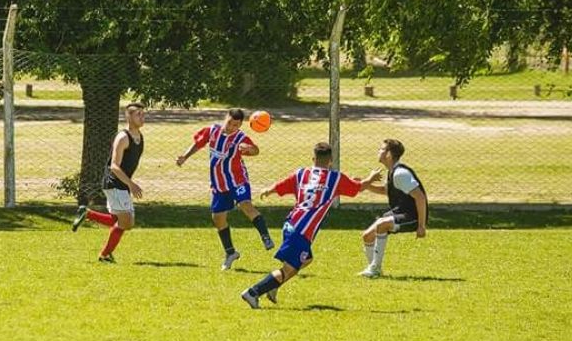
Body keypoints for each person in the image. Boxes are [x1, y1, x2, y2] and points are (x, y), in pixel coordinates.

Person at [241, 142, 381, 309]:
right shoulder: (335, 178)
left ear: (313, 158)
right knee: (290, 268)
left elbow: (282, 185)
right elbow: (357, 188)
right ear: (330, 161)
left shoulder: (302, 173)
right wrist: (371, 178)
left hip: (291, 224)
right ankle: (253, 292)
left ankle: (273, 286)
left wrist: (269, 190)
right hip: (301, 231)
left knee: (306, 259)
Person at [176, 108, 272, 270]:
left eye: (236, 125)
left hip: (237, 180)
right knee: (218, 218)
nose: (231, 127)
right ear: (225, 118)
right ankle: (230, 253)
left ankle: (265, 236)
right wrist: (185, 156)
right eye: (229, 123)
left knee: (245, 205)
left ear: (240, 125)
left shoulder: (240, 137)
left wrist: (250, 150)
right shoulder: (212, 131)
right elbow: (198, 143)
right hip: (219, 183)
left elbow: (255, 150)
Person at [72, 102, 146, 263]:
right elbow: (114, 166)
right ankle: (104, 254)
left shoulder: (139, 137)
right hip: (114, 184)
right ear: (128, 116)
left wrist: (129, 184)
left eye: (143, 114)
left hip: (121, 185)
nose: (142, 117)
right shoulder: (123, 137)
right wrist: (131, 184)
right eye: (138, 114)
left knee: (120, 221)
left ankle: (87, 214)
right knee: (126, 222)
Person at [359, 139, 428, 278]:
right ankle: (375, 271)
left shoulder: (400, 173)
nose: (378, 151)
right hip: (399, 212)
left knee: (381, 225)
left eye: (381, 149)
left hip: (412, 216)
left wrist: (421, 225)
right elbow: (386, 191)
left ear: (389, 154)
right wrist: (366, 185)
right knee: (367, 236)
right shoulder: (392, 171)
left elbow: (420, 197)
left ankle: (374, 268)